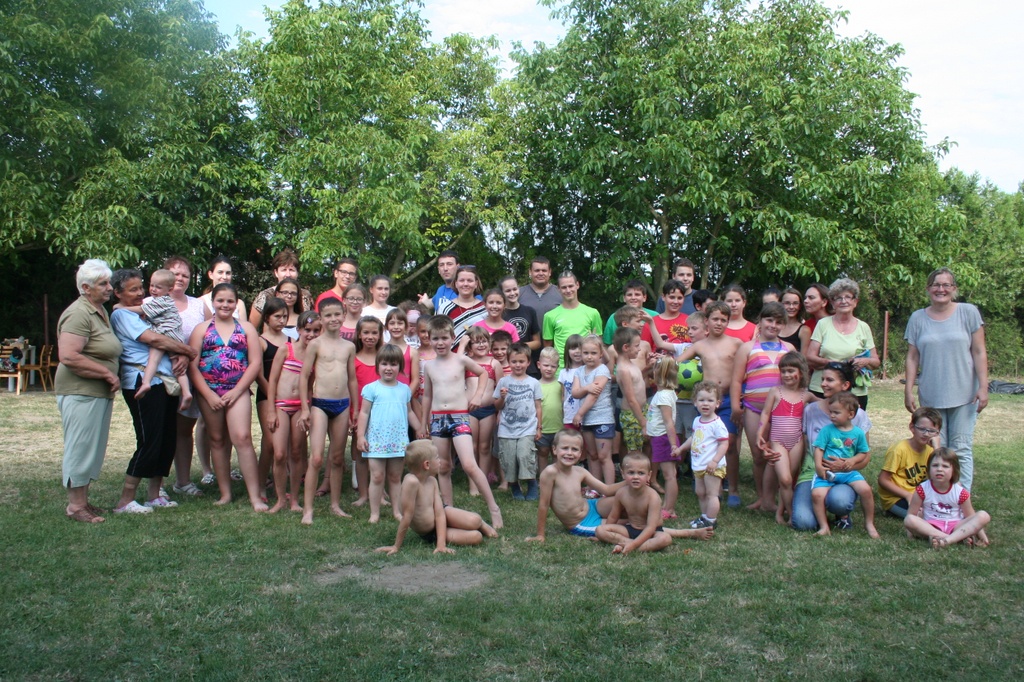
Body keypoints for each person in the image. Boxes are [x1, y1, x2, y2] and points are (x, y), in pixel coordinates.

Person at [110, 268, 198, 514]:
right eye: (133, 289)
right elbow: (156, 340)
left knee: (166, 438)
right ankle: (126, 500)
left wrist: (180, 354)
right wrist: (187, 351)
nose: (140, 293)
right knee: (149, 439)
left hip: (165, 382)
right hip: (142, 382)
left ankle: (154, 494)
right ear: (117, 293)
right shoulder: (121, 314)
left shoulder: (148, 309)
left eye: (141, 287)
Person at [904, 267, 988, 492]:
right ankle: (940, 496)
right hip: (932, 395)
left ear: (954, 289)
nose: (940, 289)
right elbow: (912, 357)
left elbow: (979, 351)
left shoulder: (968, 312)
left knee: (961, 448)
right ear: (928, 289)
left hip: (965, 394)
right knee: (937, 448)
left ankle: (961, 497)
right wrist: (908, 390)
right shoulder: (918, 318)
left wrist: (983, 386)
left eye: (946, 285)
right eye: (936, 285)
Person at [188, 283, 267, 511]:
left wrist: (238, 390)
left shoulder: (246, 328)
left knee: (242, 438)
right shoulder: (201, 329)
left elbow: (255, 363)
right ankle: (225, 493)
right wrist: (208, 395)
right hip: (209, 392)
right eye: (220, 300)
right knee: (217, 439)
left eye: (230, 301)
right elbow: (193, 366)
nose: (225, 305)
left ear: (236, 303)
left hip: (238, 390)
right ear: (213, 302)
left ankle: (255, 497)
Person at [421, 315, 503, 529]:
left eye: (444, 338)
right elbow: (427, 395)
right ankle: (449, 510)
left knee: (468, 464)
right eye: (435, 338)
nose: (440, 343)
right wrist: (423, 423)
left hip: (459, 417)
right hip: (438, 419)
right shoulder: (429, 366)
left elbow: (483, 374)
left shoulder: (461, 360)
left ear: (452, 338)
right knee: (443, 466)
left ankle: (494, 508)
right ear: (429, 339)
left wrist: (477, 395)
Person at [56, 260, 122, 522]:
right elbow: (68, 356)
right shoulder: (78, 313)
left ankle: (83, 501)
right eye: (103, 284)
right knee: (80, 447)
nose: (109, 288)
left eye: (108, 282)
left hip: (96, 393)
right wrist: (106, 373)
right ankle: (75, 506)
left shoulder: (98, 310)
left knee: (91, 448)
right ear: (86, 287)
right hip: (80, 391)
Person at [376, 440, 498, 555]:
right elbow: (407, 517)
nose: (440, 461)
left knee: (475, 520)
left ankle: (482, 524)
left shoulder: (432, 480)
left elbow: (440, 514)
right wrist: (396, 546)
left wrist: (441, 545)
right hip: (431, 532)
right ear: (427, 464)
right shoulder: (411, 482)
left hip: (444, 514)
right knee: (476, 537)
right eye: (437, 458)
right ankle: (463, 527)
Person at [791, 361, 872, 532]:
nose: (823, 384)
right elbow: (804, 448)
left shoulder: (858, 416)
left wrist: (847, 464)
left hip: (844, 474)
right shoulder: (810, 410)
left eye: (829, 380)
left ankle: (841, 512)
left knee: (840, 502)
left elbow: (865, 457)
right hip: (813, 473)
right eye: (822, 379)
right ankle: (818, 511)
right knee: (803, 522)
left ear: (845, 385)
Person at [675, 302, 743, 506]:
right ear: (707, 321)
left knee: (729, 443)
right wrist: (660, 362)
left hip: (728, 399)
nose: (719, 323)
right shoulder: (699, 346)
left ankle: (733, 488)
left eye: (723, 320)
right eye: (715, 319)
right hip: (706, 401)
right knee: (706, 442)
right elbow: (677, 363)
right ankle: (713, 486)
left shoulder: (736, 343)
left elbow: (746, 366)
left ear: (728, 322)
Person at [730, 302, 795, 512]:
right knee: (759, 455)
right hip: (753, 408)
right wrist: (735, 407)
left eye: (779, 322)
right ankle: (761, 497)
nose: (773, 325)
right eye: (769, 320)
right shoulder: (747, 347)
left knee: (776, 455)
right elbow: (736, 380)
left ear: (783, 325)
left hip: (782, 411)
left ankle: (772, 497)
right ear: (760, 321)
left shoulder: (789, 348)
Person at [298, 298, 357, 524]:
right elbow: (304, 376)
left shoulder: (349, 346)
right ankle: (308, 509)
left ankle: (335, 504)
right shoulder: (315, 344)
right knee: (316, 458)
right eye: (328, 315)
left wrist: (354, 409)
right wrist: (305, 408)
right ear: (320, 319)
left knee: (337, 458)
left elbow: (352, 379)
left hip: (342, 405)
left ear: (344, 315)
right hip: (320, 404)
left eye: (337, 314)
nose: (333, 319)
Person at [356, 344, 423, 524]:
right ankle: (374, 513)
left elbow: (409, 412)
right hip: (376, 441)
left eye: (393, 364)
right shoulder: (371, 389)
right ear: (378, 365)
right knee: (377, 476)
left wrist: (418, 428)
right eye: (384, 364)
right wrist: (360, 436)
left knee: (395, 477)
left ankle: (397, 511)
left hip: (398, 441)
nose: (388, 368)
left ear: (400, 367)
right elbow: (364, 413)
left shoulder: (404, 389)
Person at [163, 255, 210, 497]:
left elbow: (213, 335)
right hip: (160, 374)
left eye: (185, 275)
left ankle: (183, 481)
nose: (180, 279)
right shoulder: (151, 302)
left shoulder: (198, 305)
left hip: (191, 375)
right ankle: (156, 484)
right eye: (175, 274)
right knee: (160, 430)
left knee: (183, 430)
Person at [266, 311, 321, 513]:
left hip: (300, 407)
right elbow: (272, 381)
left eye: (316, 331)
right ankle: (281, 499)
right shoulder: (286, 349)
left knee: (297, 452)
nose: (311, 334)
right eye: (307, 330)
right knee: (280, 453)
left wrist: (308, 409)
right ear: (298, 330)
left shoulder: (315, 356)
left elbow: (310, 385)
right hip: (281, 405)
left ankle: (295, 500)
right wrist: (271, 411)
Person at [526, 430, 624, 540]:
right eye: (565, 448)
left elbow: (607, 489)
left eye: (574, 449)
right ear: (554, 449)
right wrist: (540, 534)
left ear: (580, 453)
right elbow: (544, 504)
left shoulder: (579, 471)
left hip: (593, 506)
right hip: (582, 522)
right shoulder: (550, 473)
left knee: (624, 501)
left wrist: (628, 482)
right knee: (626, 525)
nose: (569, 453)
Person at [757, 352, 816, 524]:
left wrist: (846, 400)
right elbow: (765, 413)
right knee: (785, 479)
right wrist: (760, 433)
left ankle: (779, 513)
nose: (786, 375)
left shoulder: (806, 395)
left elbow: (825, 405)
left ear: (801, 372)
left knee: (788, 480)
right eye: (783, 371)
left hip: (797, 441)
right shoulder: (776, 392)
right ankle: (792, 514)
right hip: (778, 441)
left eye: (791, 371)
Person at [117, 268, 191, 406]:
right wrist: (187, 351)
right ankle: (186, 392)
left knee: (154, 358)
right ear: (118, 293)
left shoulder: (160, 301)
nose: (152, 290)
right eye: (151, 285)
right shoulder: (159, 302)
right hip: (173, 335)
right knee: (177, 367)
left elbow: (154, 337)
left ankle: (146, 382)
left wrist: (119, 307)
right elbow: (152, 335)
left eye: (158, 287)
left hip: (167, 333)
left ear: (169, 290)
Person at [810, 392, 879, 538]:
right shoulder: (827, 430)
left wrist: (852, 461)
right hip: (827, 473)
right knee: (817, 495)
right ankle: (824, 526)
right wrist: (819, 466)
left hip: (848, 473)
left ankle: (869, 524)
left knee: (866, 490)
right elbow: (818, 449)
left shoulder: (858, 433)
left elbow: (863, 453)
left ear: (851, 414)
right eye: (831, 412)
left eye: (836, 412)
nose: (832, 415)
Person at [805, 278, 879, 409]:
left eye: (848, 297)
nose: (843, 301)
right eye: (838, 298)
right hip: (822, 389)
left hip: (855, 392)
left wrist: (864, 361)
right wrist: (836, 365)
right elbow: (810, 358)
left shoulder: (863, 327)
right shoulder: (823, 324)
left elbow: (876, 362)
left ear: (855, 302)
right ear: (832, 302)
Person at [903, 448, 990, 548]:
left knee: (983, 515)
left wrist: (983, 537)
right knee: (909, 519)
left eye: (945, 466)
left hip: (956, 526)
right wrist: (910, 535)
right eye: (935, 465)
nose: (939, 469)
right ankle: (954, 539)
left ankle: (942, 539)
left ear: (954, 470)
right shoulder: (922, 489)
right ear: (928, 469)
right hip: (931, 526)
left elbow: (971, 517)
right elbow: (911, 515)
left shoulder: (960, 492)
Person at [676, 381, 729, 529]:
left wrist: (715, 461)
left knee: (712, 494)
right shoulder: (697, 421)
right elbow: (694, 438)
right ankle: (704, 516)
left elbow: (724, 444)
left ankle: (710, 520)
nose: (705, 404)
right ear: (695, 402)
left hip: (712, 466)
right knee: (700, 492)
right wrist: (681, 449)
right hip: (699, 464)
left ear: (717, 403)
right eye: (701, 400)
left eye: (710, 400)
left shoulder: (717, 424)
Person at [493, 343, 543, 501]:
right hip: (506, 429)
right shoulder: (503, 382)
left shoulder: (534, 383)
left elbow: (538, 406)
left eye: (521, 361)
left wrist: (539, 427)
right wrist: (502, 397)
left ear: (528, 362)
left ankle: (531, 483)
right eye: (514, 361)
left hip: (527, 428)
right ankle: (514, 485)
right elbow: (497, 406)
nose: (518, 365)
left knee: (524, 455)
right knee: (509, 459)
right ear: (509, 362)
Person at [596, 453, 673, 554]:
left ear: (649, 475)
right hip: (630, 529)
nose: (635, 477)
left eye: (641, 473)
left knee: (665, 538)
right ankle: (628, 543)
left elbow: (651, 527)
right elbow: (613, 517)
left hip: (651, 532)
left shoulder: (653, 497)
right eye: (631, 473)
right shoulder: (621, 493)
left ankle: (629, 546)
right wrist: (604, 535)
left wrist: (634, 544)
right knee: (600, 530)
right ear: (623, 474)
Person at [254, 296, 290, 500]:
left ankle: (279, 486)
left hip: (287, 396)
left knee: (281, 445)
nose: (282, 320)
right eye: (277, 316)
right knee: (269, 442)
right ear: (267, 317)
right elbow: (258, 375)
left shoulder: (290, 341)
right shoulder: (260, 341)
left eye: (285, 316)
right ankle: (260, 484)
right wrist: (273, 395)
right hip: (266, 396)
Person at [878, 407, 940, 519]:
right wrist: (907, 495)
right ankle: (892, 510)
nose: (926, 434)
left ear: (938, 433)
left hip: (918, 496)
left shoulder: (931, 451)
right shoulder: (899, 450)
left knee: (949, 511)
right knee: (928, 517)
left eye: (931, 431)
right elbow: (883, 480)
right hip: (897, 498)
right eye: (922, 429)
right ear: (912, 427)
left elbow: (942, 476)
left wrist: (937, 448)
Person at [571, 335, 615, 485]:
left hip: (603, 419)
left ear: (601, 354)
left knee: (603, 456)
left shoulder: (602, 370)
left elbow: (593, 396)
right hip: (587, 420)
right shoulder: (579, 371)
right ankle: (595, 487)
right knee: (592, 454)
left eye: (593, 353)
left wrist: (579, 413)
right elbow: (575, 393)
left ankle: (609, 488)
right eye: (586, 353)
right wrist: (587, 387)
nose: (589, 357)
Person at [464, 327, 501, 494]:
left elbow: (500, 389)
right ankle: (473, 484)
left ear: (489, 343)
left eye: (484, 341)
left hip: (488, 411)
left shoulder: (494, 363)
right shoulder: (466, 362)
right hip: (469, 410)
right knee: (471, 447)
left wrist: (500, 411)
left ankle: (483, 482)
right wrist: (462, 345)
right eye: (476, 342)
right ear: (469, 346)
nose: (481, 345)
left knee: (485, 447)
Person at [645, 356, 682, 519]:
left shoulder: (663, 396)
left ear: (658, 374)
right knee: (670, 474)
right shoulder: (665, 393)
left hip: (664, 439)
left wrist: (673, 444)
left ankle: (669, 508)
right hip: (660, 438)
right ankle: (667, 505)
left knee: (669, 475)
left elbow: (668, 422)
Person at [543, 271, 602, 367]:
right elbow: (548, 348)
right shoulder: (549, 316)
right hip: (561, 369)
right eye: (564, 287)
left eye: (571, 286)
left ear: (577, 285)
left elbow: (598, 344)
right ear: (558, 289)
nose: (568, 290)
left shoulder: (593, 313)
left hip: (586, 368)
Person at [249, 248, 314, 329]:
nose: (288, 274)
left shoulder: (305, 296)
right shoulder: (265, 296)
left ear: (297, 273)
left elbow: (312, 322)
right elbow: (251, 328)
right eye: (284, 270)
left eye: (291, 270)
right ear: (276, 273)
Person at [613, 327, 647, 459]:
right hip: (632, 415)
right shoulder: (623, 369)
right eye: (637, 346)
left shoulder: (631, 364)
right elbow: (631, 399)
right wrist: (643, 423)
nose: (640, 349)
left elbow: (638, 380)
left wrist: (650, 367)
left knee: (643, 445)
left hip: (641, 411)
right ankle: (632, 470)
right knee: (634, 451)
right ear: (626, 347)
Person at [499, 275, 541, 365]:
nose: (512, 293)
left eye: (515, 289)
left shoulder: (530, 311)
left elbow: (537, 342)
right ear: (501, 293)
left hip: (527, 363)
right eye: (508, 291)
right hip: (506, 363)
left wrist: (517, 347)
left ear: (519, 289)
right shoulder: (499, 314)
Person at [443, 266, 486, 349]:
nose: (465, 284)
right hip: (451, 355)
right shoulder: (445, 308)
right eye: (462, 280)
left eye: (470, 280)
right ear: (456, 283)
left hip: (480, 355)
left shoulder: (485, 309)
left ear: (476, 284)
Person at [603, 279, 657, 345]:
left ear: (644, 297)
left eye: (637, 294)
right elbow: (607, 344)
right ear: (624, 298)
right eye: (629, 295)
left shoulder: (655, 316)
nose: (633, 298)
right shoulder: (614, 317)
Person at [536, 346, 564, 472]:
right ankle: (543, 476)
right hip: (542, 427)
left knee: (557, 453)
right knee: (542, 452)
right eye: (546, 365)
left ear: (557, 367)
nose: (549, 369)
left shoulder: (560, 384)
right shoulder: (535, 385)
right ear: (539, 365)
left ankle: (557, 477)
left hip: (558, 426)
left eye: (553, 366)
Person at [642, 280, 692, 350]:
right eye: (672, 297)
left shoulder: (690, 321)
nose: (676, 301)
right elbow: (644, 349)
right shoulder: (650, 323)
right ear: (663, 297)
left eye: (680, 298)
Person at [199, 255, 246, 320]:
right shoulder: (200, 302)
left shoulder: (239, 304)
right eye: (220, 272)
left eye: (228, 273)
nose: (224, 277)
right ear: (211, 274)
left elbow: (243, 326)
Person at [779, 287, 810, 352]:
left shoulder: (804, 330)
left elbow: (803, 357)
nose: (791, 307)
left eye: (795, 303)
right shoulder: (773, 326)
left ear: (800, 306)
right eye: (787, 303)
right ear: (780, 304)